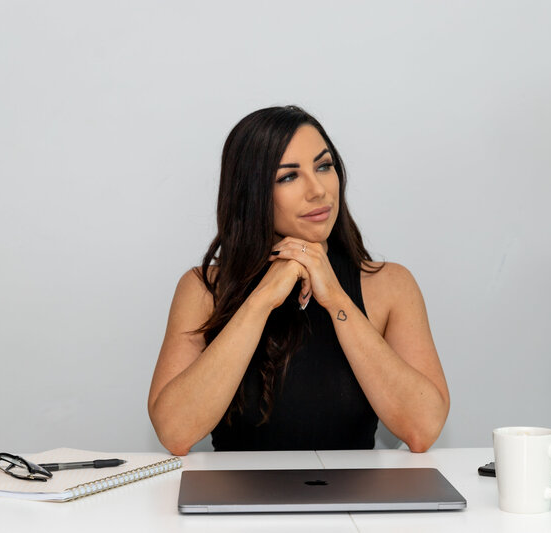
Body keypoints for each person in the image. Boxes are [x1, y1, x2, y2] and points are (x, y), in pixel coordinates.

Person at [148, 106, 449, 455]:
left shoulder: (390, 285)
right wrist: (261, 300)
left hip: (358, 506)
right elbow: (174, 432)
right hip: (237, 506)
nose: (318, 190)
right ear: (253, 194)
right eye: (288, 177)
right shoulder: (204, 289)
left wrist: (336, 297)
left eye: (324, 167)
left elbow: (422, 428)